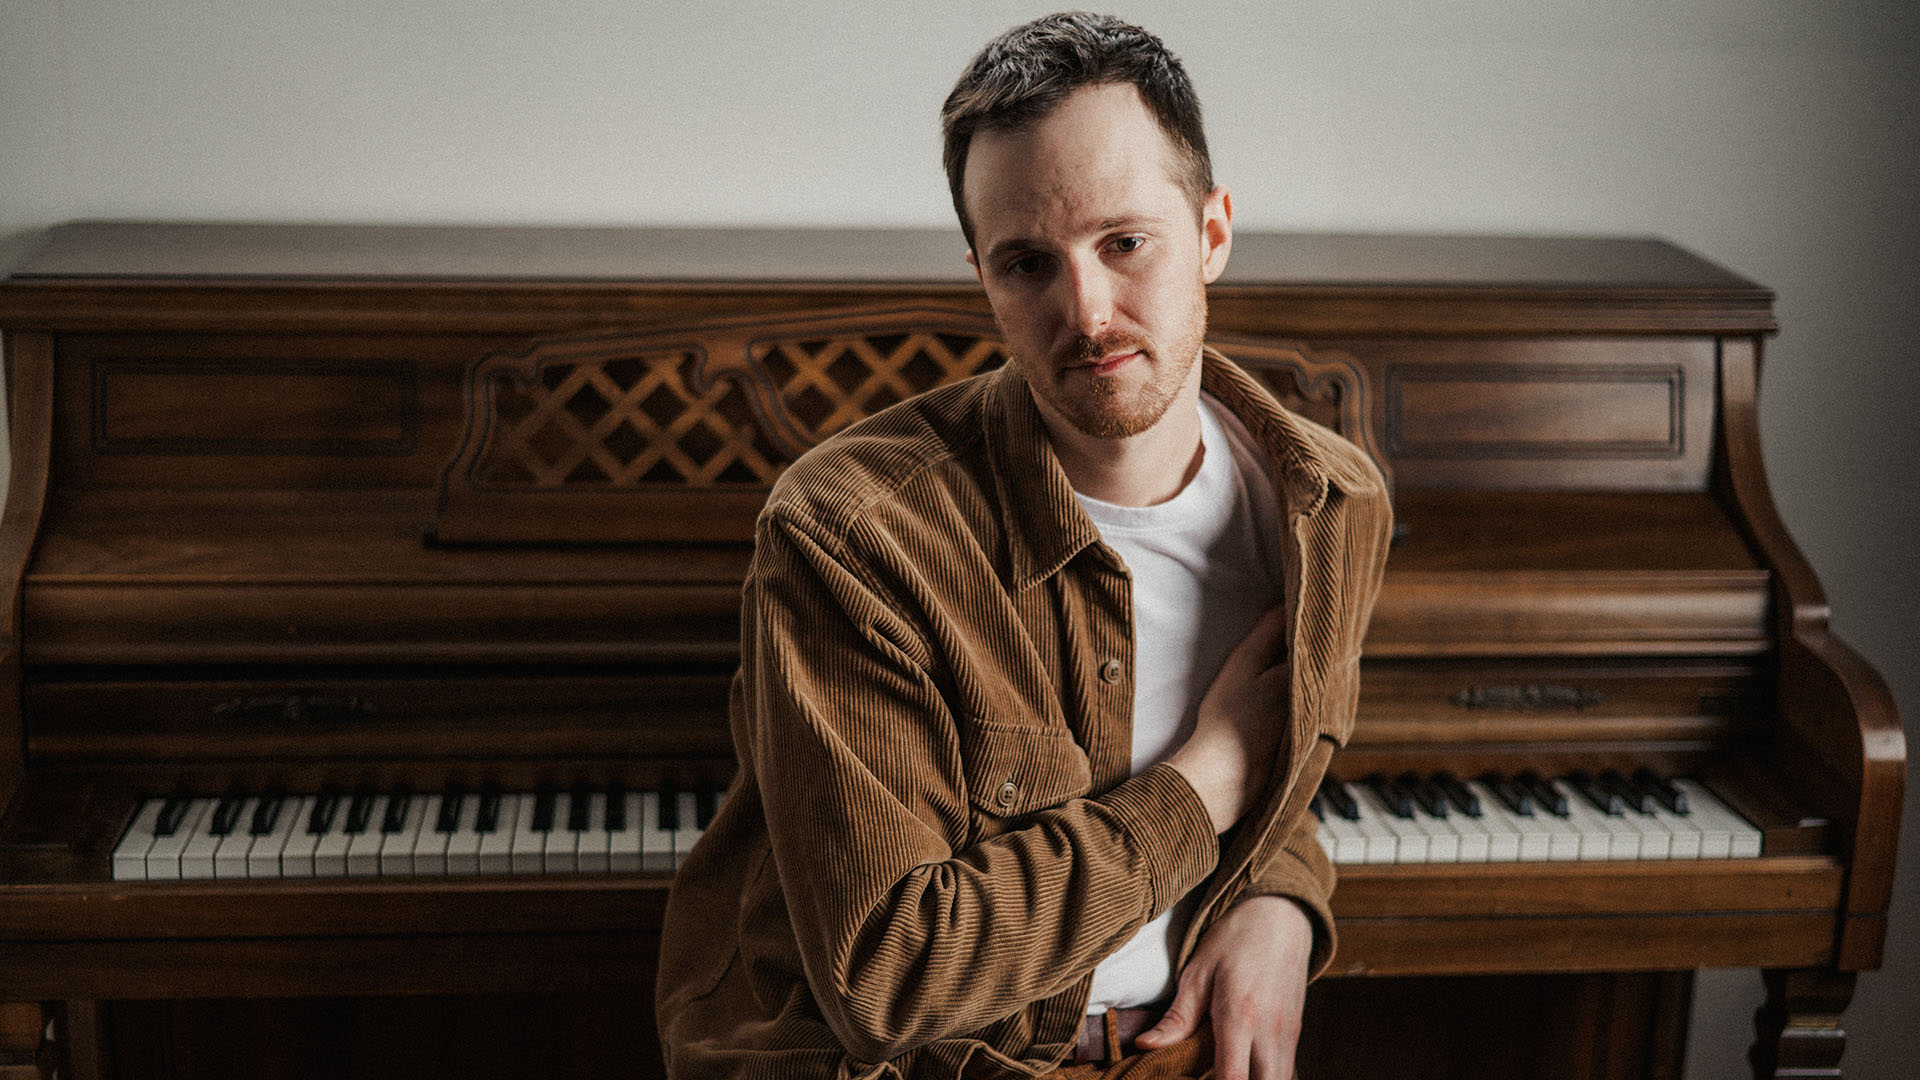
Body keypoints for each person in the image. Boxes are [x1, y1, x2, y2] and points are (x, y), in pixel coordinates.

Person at [657, 13, 1391, 1080]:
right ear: (981, 274)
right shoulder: (849, 533)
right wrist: (1209, 781)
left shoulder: (1329, 503)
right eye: (1027, 264)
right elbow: (889, 977)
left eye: (1125, 243)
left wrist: (1282, 891)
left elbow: (1295, 762)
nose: (1086, 312)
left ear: (1214, 234)